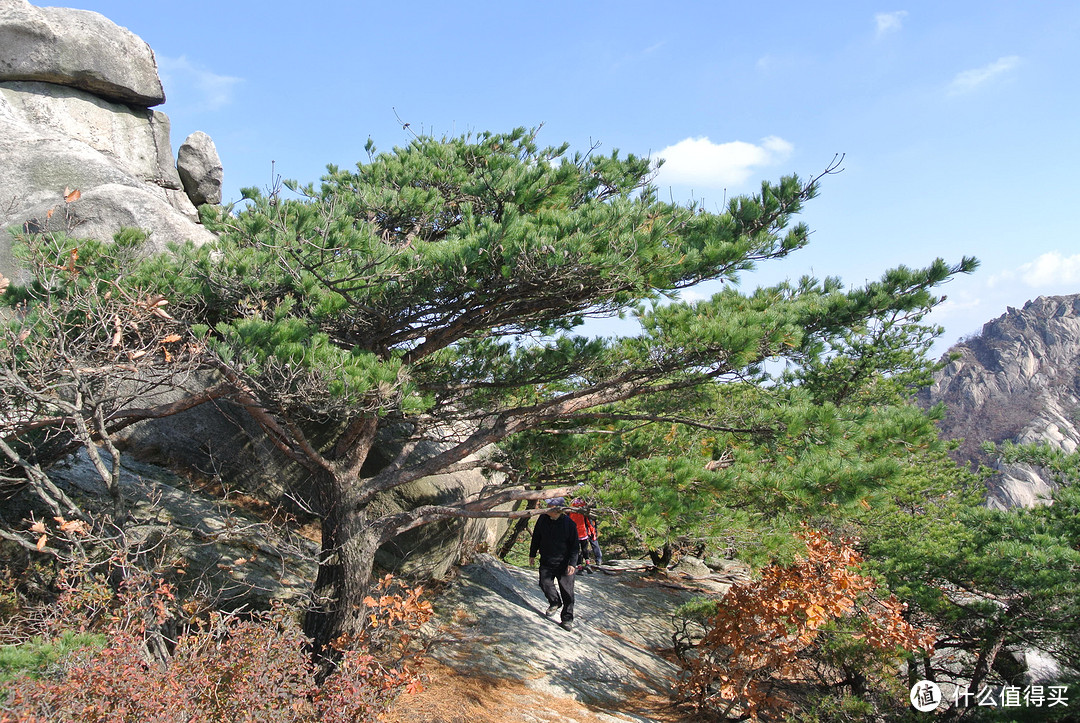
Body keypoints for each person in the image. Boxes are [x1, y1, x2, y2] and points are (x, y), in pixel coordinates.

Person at [529, 497, 579, 630]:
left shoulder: (569, 524)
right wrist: (532, 554)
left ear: (557, 510)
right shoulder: (542, 519)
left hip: (564, 563)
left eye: (550, 506)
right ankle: (555, 602)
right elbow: (536, 537)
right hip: (547, 560)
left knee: (567, 592)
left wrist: (572, 564)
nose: (546, 508)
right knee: (544, 583)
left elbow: (575, 546)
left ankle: (567, 619)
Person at [568, 498, 602, 573]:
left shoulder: (571, 506)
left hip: (575, 533)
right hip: (583, 532)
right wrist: (592, 532)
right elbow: (589, 521)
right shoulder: (584, 506)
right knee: (584, 548)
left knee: (577, 550)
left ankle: (579, 567)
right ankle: (588, 564)